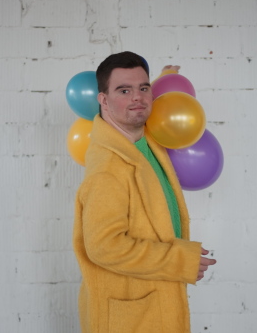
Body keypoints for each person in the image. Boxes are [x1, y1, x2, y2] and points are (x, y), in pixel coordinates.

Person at [73, 51, 217, 333]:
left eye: (143, 88)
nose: (137, 97)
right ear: (103, 99)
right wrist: (181, 260)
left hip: (155, 301)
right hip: (130, 317)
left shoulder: (145, 136)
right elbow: (104, 247)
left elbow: (147, 106)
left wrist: (164, 78)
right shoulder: (107, 169)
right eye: (124, 90)